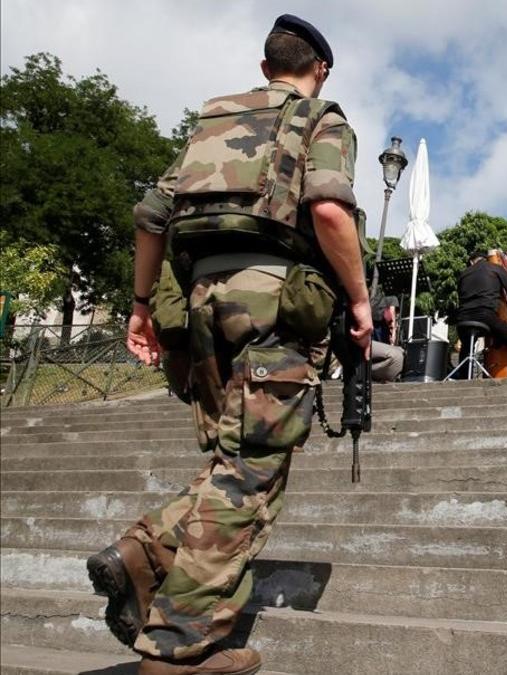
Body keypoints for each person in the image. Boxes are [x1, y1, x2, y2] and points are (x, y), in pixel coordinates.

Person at [88, 15, 364, 673]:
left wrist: (139, 304)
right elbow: (328, 208)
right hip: (275, 305)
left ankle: (146, 553)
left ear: (267, 64)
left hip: (200, 309)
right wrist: (357, 299)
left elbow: (151, 215)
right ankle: (176, 646)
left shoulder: (211, 124)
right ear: (318, 68)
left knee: (230, 459)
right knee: (251, 472)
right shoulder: (321, 117)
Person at [456, 250, 507, 376]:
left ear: (471, 262)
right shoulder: (495, 268)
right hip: (486, 317)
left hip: (463, 319)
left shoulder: (463, 274)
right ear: (485, 259)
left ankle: (463, 379)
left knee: (467, 347)